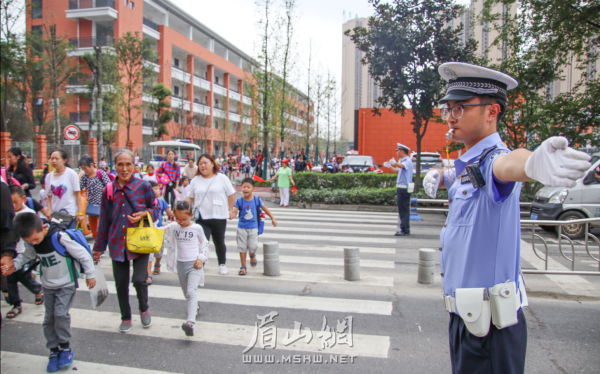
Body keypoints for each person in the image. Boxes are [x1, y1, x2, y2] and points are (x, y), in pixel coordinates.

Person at [422, 62, 591, 374]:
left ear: (491, 111)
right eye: (448, 109)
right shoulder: (470, 165)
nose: (450, 117)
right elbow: (460, 175)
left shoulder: (493, 161)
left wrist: (534, 165)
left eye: (460, 108)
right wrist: (440, 174)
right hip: (466, 320)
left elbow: (509, 164)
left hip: (489, 330)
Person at [7, 212, 95, 372]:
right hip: (48, 285)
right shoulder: (32, 242)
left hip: (66, 283)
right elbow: (27, 255)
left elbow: (83, 255)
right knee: (48, 319)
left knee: (60, 314)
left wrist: (90, 275)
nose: (33, 243)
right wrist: (14, 265)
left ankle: (65, 348)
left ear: (44, 228)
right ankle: (54, 351)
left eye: (35, 239)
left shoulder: (60, 237)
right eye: (29, 241)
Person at [92, 149, 160, 333]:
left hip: (140, 240)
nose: (124, 168)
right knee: (121, 283)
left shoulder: (143, 186)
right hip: (116, 242)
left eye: (128, 164)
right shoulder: (109, 189)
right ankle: (126, 316)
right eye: (120, 164)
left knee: (139, 280)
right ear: (115, 166)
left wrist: (145, 214)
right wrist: (98, 247)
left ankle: (143, 307)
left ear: (134, 165)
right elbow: (104, 220)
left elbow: (156, 208)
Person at [160, 201, 209, 336]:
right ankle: (195, 307)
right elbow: (161, 231)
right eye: (178, 219)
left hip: (194, 264)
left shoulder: (197, 228)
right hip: (180, 264)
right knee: (186, 293)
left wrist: (201, 258)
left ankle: (190, 322)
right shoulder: (174, 226)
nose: (181, 222)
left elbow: (205, 244)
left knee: (191, 291)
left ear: (192, 215)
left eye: (184, 219)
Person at [185, 154, 236, 275]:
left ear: (213, 163)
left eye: (205, 163)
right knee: (203, 242)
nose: (203, 165)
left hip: (219, 216)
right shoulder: (195, 181)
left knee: (219, 241)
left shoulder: (222, 178)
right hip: (202, 217)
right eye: (201, 163)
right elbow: (189, 197)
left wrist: (230, 209)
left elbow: (231, 194)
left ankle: (222, 264)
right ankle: (200, 264)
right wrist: (180, 208)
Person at [5, 186, 44, 320]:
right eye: (10, 202)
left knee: (23, 276)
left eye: (16, 202)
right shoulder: (7, 213)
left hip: (27, 251)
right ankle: (16, 304)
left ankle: (37, 289)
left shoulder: (29, 214)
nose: (13, 205)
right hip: (11, 251)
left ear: (23, 199)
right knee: (10, 278)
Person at [231, 178, 277, 275]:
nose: (246, 189)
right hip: (241, 227)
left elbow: (265, 209)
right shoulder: (239, 200)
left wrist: (272, 218)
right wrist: (231, 215)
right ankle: (243, 266)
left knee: (253, 246)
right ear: (241, 188)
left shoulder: (256, 199)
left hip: (253, 228)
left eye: (248, 187)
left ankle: (252, 255)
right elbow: (234, 212)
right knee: (242, 247)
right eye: (244, 187)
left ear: (253, 189)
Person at [45, 149, 84, 229]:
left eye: (57, 158)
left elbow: (77, 194)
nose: (54, 161)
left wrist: (80, 212)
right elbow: (49, 196)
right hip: (56, 215)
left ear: (64, 160)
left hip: (70, 214)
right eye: (52, 158)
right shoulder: (49, 177)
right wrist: (49, 210)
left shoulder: (71, 174)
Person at [146, 180, 174, 284]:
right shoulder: (145, 203)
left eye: (159, 189)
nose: (159, 191)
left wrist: (181, 215)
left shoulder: (161, 202)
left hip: (159, 230)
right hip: (148, 231)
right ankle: (148, 274)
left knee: (159, 250)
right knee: (149, 253)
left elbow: (170, 212)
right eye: (156, 189)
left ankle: (157, 264)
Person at [78, 155, 111, 240]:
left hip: (102, 206)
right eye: (82, 168)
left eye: (85, 168)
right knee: (94, 230)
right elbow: (78, 187)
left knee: (100, 228)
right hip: (92, 206)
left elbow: (109, 187)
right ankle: (98, 248)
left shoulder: (101, 174)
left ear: (92, 165)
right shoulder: (85, 177)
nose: (84, 170)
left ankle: (102, 247)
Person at [387, 143, 413, 236]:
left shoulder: (407, 161)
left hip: (404, 188)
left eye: (397, 150)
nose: (397, 152)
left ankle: (405, 230)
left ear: (402, 151)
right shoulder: (403, 160)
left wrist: (395, 163)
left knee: (404, 210)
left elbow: (401, 166)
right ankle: (404, 228)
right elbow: (398, 171)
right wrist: (390, 166)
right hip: (401, 188)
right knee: (402, 209)